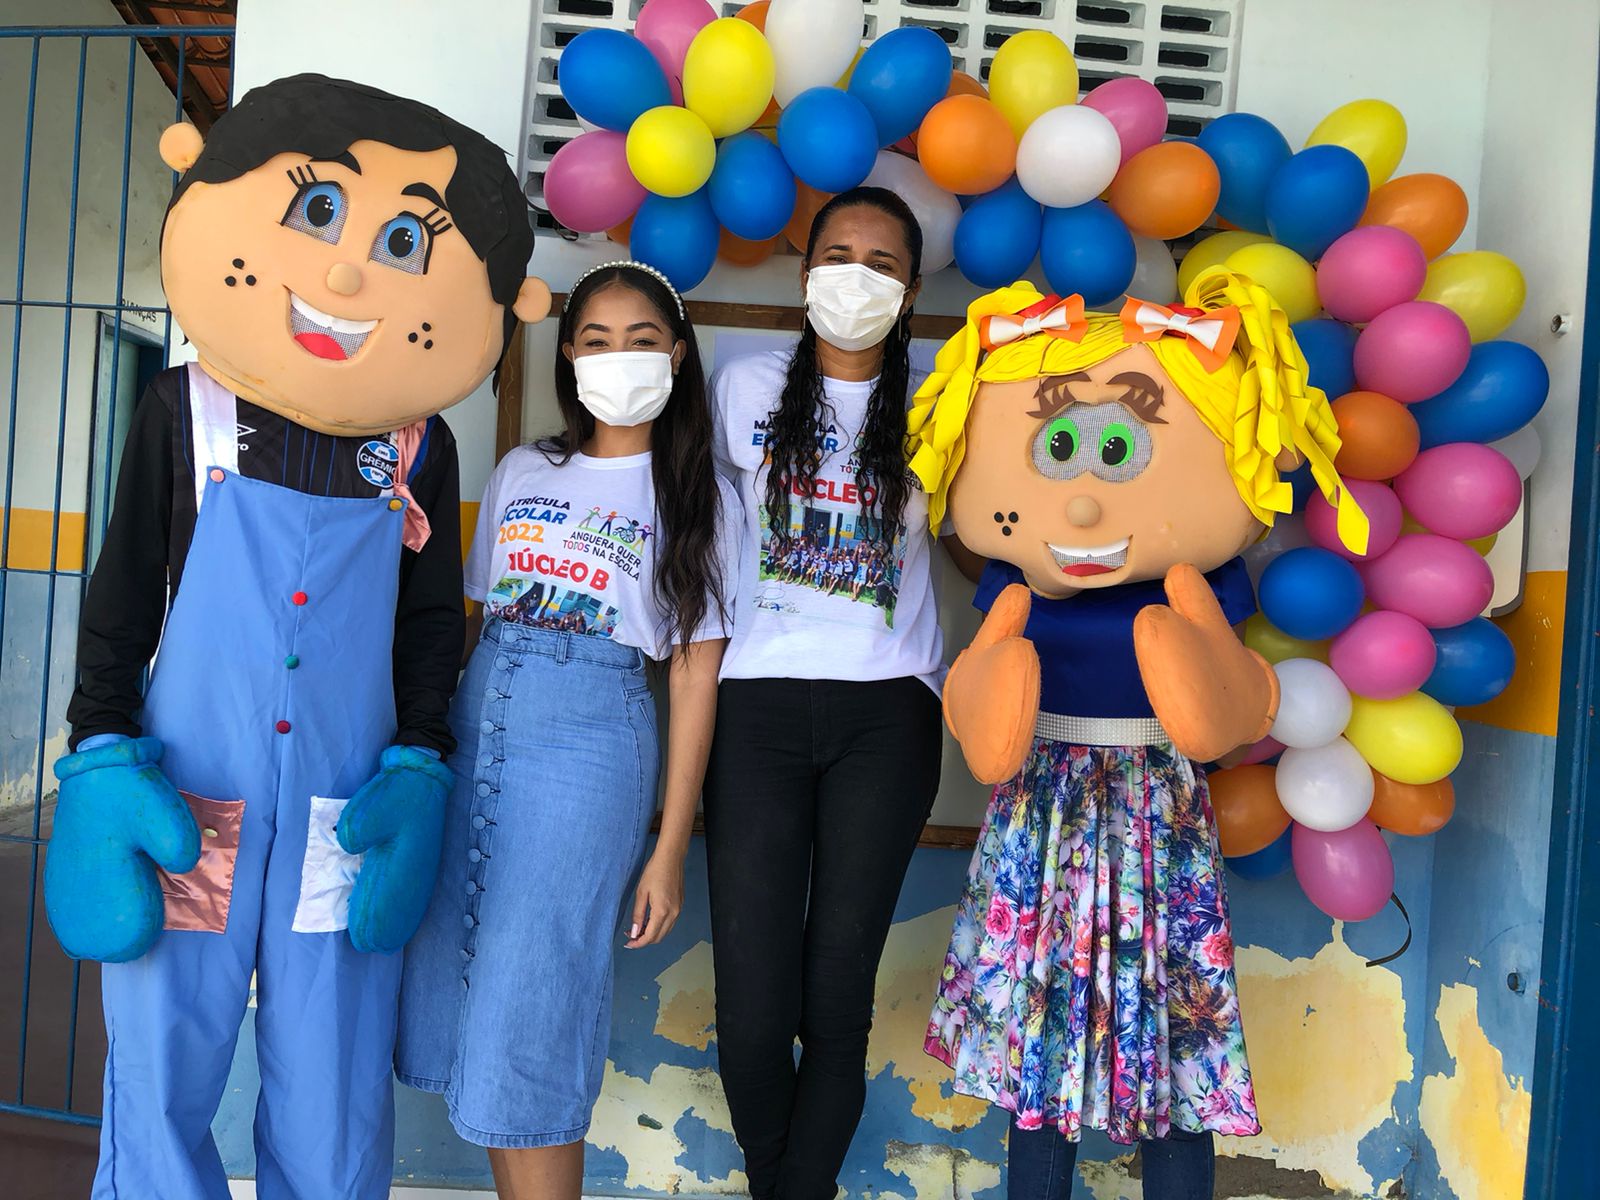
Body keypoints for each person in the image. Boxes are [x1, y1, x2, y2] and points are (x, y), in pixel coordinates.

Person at [46, 74, 551, 1200]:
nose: (347, 273)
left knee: (332, 1055)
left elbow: (430, 623)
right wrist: (101, 750)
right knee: (166, 1038)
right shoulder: (186, 410)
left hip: (345, 797)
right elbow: (121, 592)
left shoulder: (417, 446)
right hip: (192, 789)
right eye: (320, 214)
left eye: (402, 241)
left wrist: (419, 758)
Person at [907, 275, 1368, 1199]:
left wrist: (1209, 689)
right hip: (1042, 803)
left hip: (1159, 802)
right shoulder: (1013, 579)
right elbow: (980, 687)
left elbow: (1230, 701)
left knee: (1173, 1031)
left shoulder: (1203, 583)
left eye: (1115, 452)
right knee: (1042, 1045)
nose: (1084, 503)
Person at [397, 260, 736, 1200]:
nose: (617, 357)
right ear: (569, 357)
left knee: (533, 992)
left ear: (677, 355)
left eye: (640, 340)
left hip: (589, 748)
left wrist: (668, 848)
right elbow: (475, 619)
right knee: (469, 982)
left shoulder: (704, 494)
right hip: (479, 721)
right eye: (595, 340)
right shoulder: (524, 469)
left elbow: (694, 678)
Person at [703, 185, 981, 1198]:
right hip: (755, 707)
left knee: (835, 998)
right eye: (837, 256)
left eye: (882, 264)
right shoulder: (743, 385)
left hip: (887, 714)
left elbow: (981, 537)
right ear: (805, 269)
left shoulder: (939, 403)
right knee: (752, 1005)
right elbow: (698, 528)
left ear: (910, 290)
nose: (855, 278)